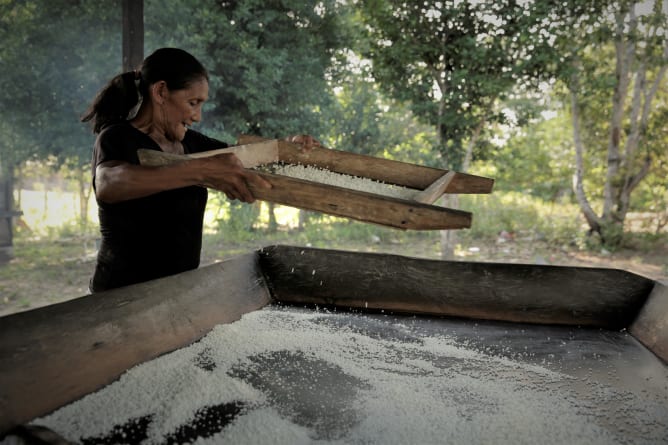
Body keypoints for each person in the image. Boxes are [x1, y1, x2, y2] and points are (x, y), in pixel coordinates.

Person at [82, 47, 319, 292]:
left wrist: (289, 147)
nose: (197, 116)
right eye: (192, 103)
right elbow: (109, 184)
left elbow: (242, 159)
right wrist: (201, 171)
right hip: (119, 297)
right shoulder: (117, 136)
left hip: (176, 293)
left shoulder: (191, 144)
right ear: (161, 91)